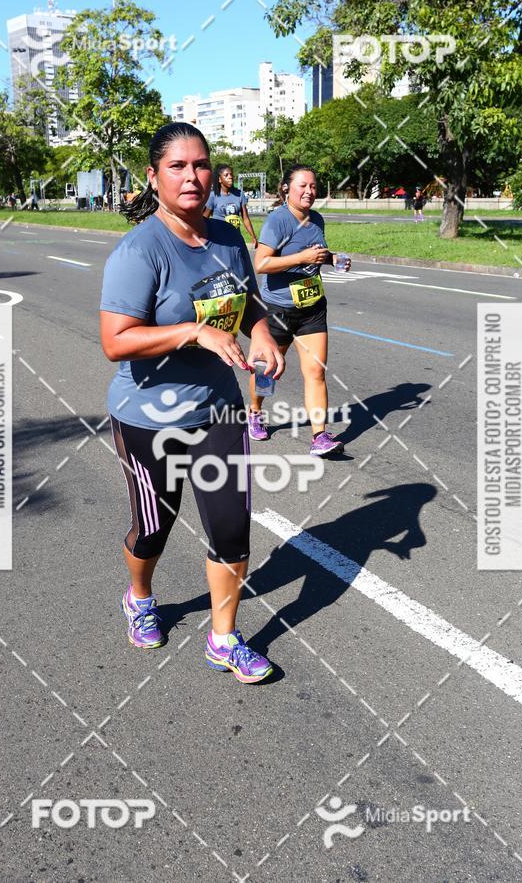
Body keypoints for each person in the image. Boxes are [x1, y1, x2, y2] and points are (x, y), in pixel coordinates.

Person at [100, 122, 284, 683]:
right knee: (154, 528)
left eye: (200, 164)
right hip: (147, 414)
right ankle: (140, 595)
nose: (191, 176)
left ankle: (224, 638)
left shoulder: (228, 238)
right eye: (177, 167)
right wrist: (191, 332)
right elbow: (116, 341)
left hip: (219, 408)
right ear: (154, 177)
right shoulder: (139, 251)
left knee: (231, 527)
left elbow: (247, 302)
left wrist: (262, 331)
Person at [248, 164, 351, 456]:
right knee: (270, 370)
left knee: (315, 371)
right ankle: (254, 412)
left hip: (312, 309)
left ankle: (319, 437)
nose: (309, 191)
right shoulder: (278, 221)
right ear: (286, 189)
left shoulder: (317, 219)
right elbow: (262, 264)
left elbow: (314, 256)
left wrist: (332, 259)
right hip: (279, 308)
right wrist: (301, 256)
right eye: (302, 186)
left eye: (313, 187)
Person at [204, 164, 258, 249]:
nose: (230, 177)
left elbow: (245, 218)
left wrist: (253, 236)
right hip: (219, 241)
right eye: (226, 175)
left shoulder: (239, 194)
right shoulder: (213, 196)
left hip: (235, 238)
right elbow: (205, 219)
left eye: (231, 174)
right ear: (219, 179)